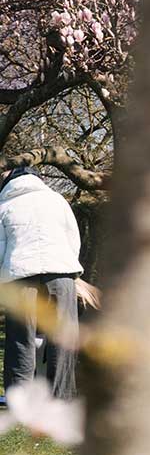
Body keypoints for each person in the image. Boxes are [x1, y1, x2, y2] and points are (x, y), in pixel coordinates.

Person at [0, 165, 83, 401]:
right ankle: (61, 397)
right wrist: (70, 270)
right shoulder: (57, 200)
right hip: (61, 272)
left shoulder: (4, 205)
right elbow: (72, 239)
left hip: (19, 276)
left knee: (21, 340)